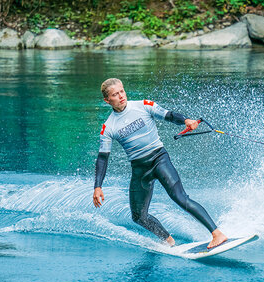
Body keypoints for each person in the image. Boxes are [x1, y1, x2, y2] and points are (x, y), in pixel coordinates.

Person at [93, 78, 227, 248]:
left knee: (180, 197)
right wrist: (98, 186)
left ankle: (217, 234)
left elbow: (169, 115)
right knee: (139, 217)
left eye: (122, 91)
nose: (121, 96)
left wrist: (185, 120)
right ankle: (168, 240)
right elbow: (103, 158)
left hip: (159, 159)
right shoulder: (109, 126)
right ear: (107, 100)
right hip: (140, 169)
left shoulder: (143, 106)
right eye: (115, 94)